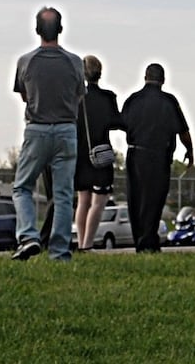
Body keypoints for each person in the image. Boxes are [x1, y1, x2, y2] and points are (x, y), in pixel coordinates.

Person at [10, 6, 85, 262]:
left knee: (22, 187)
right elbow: (79, 94)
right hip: (66, 129)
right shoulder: (75, 62)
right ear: (61, 29)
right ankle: (60, 252)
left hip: (37, 129)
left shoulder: (26, 61)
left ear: (36, 30)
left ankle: (29, 236)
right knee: (63, 194)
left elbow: (24, 95)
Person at [119, 63, 194, 253]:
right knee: (155, 200)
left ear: (145, 77)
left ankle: (140, 242)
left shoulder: (133, 100)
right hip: (159, 156)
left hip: (135, 154)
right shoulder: (169, 101)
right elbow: (183, 131)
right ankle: (149, 241)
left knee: (136, 199)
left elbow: (122, 124)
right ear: (163, 80)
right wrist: (190, 151)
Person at [73, 54, 120, 250]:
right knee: (98, 203)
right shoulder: (108, 98)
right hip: (100, 155)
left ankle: (81, 241)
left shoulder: (76, 98)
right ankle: (87, 244)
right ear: (100, 73)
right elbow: (116, 122)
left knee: (83, 201)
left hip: (79, 155)